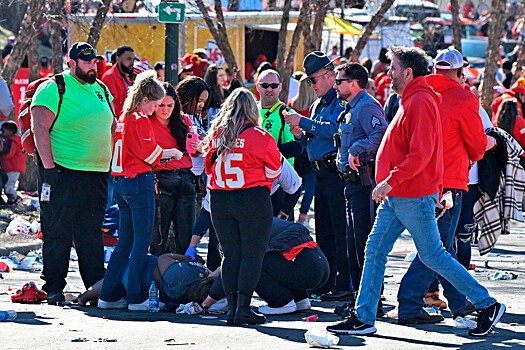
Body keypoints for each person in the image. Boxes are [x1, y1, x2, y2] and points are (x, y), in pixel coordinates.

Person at [326, 45, 505, 337]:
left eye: (393, 69)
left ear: (408, 72)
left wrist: (389, 181)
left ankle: (487, 304)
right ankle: (363, 316)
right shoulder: (413, 98)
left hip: (412, 193)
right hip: (400, 195)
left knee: (433, 255)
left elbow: (421, 153)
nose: (388, 73)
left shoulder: (420, 100)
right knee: (376, 251)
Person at [397, 48, 489, 325]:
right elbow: (477, 144)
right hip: (449, 183)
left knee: (441, 246)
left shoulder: (418, 93)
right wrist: (485, 146)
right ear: (460, 73)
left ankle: (459, 302)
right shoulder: (463, 97)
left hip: (418, 180)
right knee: (436, 248)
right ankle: (409, 301)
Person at [31, 42, 114, 305]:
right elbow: (39, 127)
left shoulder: (101, 89)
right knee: (58, 231)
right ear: (72, 62)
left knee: (90, 232)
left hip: (97, 173)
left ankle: (95, 285)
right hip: (62, 172)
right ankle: (54, 286)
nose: (93, 66)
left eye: (95, 62)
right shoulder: (54, 87)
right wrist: (48, 167)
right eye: (87, 62)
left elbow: (111, 125)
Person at [98, 71, 183, 311]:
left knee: (124, 242)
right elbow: (151, 155)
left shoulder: (124, 118)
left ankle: (109, 294)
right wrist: (174, 153)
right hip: (138, 182)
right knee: (140, 242)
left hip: (122, 184)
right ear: (145, 99)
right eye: (155, 104)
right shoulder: (138, 119)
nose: (156, 110)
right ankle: (136, 296)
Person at [203, 88, 282, 325]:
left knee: (231, 256)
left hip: (220, 199)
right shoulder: (260, 135)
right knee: (252, 256)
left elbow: (208, 169)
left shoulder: (216, 135)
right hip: (251, 198)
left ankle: (232, 307)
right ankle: (243, 308)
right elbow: (275, 170)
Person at [284, 51, 350, 302]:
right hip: (319, 172)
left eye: (314, 80)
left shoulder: (340, 101)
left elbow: (336, 129)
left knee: (339, 231)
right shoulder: (317, 104)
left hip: (336, 173)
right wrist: (300, 133)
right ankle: (326, 281)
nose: (311, 85)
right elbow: (312, 138)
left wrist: (304, 122)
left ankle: (343, 283)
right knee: (324, 231)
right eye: (310, 81)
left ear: (330, 76)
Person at [333, 62, 387, 306]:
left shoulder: (366, 107)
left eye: (339, 81)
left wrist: (358, 147)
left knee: (364, 243)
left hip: (363, 184)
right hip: (350, 184)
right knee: (353, 244)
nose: (335, 85)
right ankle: (360, 298)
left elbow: (381, 135)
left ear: (353, 84)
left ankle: (369, 300)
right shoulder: (351, 108)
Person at [149, 83, 198, 256]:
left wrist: (198, 147)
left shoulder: (184, 121)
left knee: (186, 237)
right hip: (160, 181)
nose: (165, 110)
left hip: (186, 180)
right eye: (161, 105)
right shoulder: (148, 122)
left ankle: (184, 277)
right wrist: (169, 155)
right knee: (158, 239)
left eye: (170, 105)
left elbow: (194, 152)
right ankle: (157, 277)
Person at [78, 253, 224, 310]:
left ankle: (84, 297)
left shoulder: (184, 275)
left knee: (117, 274)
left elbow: (163, 259)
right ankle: (91, 297)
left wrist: (187, 258)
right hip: (145, 287)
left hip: (137, 272)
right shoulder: (192, 292)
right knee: (118, 282)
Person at [256, 218, 329, 315]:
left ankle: (281, 302)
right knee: (273, 256)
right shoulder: (265, 218)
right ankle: (300, 299)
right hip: (321, 267)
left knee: (252, 261)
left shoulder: (245, 224)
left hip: (308, 271)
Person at [256, 69, 303, 219]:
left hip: (280, 185)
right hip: (255, 183)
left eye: (273, 85)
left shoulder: (286, 113)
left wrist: (266, 153)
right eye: (265, 85)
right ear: (258, 87)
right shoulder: (251, 110)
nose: (269, 89)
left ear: (280, 87)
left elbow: (295, 148)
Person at [288, 72, 317, 225]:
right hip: (308, 148)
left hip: (294, 147)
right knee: (311, 183)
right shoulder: (314, 107)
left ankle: (290, 212)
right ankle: (303, 216)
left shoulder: (292, 104)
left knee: (294, 183)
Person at [101, 45, 135, 117]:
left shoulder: (127, 77)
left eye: (133, 59)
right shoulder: (110, 77)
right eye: (128, 59)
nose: (132, 63)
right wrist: (131, 110)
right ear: (118, 59)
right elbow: (110, 106)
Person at [0, 121, 26, 204]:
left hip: (13, 167)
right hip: (12, 167)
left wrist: (1, 156)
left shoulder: (12, 141)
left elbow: (9, 153)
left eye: (4, 131)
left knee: (9, 186)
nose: (2, 133)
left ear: (10, 132)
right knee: (8, 185)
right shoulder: (12, 140)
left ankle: (17, 198)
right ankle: (11, 201)